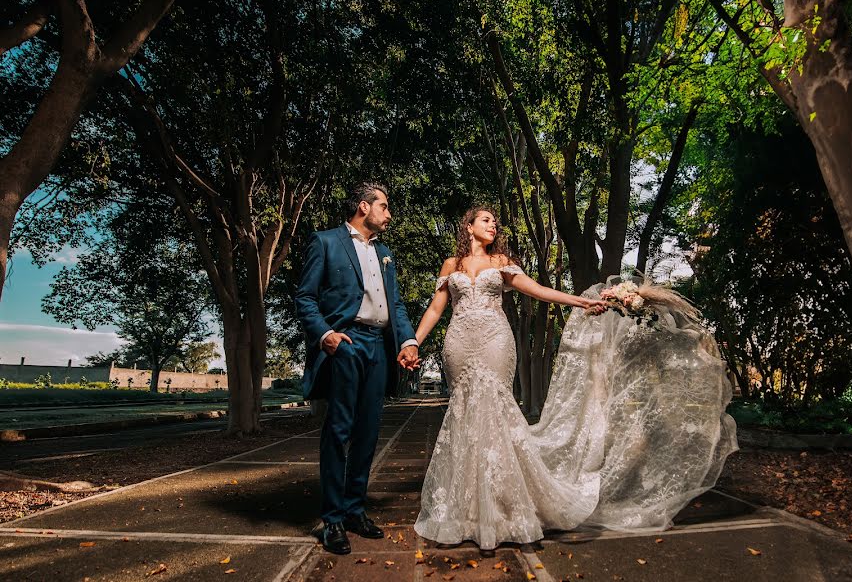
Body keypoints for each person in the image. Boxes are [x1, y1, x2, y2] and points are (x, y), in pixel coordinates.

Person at [413, 206, 738, 553]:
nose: (493, 225)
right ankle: (465, 514)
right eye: (486, 220)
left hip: (494, 339)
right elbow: (436, 308)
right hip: (460, 341)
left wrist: (579, 302)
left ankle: (507, 514)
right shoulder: (452, 266)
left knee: (494, 413)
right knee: (464, 416)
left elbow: (537, 290)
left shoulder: (501, 262)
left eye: (495, 221)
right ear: (469, 226)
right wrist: (412, 342)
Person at [295, 182, 419, 555]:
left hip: (379, 347)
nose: (389, 213)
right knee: (339, 429)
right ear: (363, 207)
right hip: (345, 343)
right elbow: (305, 296)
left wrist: (409, 340)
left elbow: (395, 305)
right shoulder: (326, 242)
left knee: (368, 431)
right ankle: (332, 519)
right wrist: (325, 335)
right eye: (384, 206)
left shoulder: (385, 253)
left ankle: (354, 510)